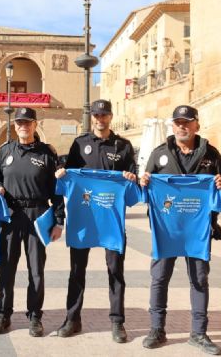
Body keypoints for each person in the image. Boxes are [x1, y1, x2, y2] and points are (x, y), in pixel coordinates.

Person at [140, 105, 221, 355]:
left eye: (187, 122)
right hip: (166, 230)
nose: (182, 126)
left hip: (198, 230)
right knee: (159, 278)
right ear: (173, 125)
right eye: (178, 122)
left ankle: (199, 333)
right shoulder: (159, 153)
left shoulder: (211, 154)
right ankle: (156, 329)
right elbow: (144, 190)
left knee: (200, 280)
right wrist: (145, 182)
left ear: (196, 125)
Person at [55, 99, 137, 343]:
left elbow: (132, 182)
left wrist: (130, 177)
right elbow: (67, 175)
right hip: (84, 218)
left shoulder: (123, 145)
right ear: (92, 118)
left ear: (111, 116)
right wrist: (61, 172)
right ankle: (72, 318)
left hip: (111, 220)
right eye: (97, 115)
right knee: (77, 271)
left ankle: (117, 322)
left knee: (115, 271)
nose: (100, 119)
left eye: (104, 115)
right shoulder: (80, 144)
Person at [0, 107, 65, 337]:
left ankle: (34, 316)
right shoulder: (5, 151)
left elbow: (57, 191)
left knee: (36, 270)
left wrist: (59, 221)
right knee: (7, 269)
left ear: (35, 124)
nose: (24, 126)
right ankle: (3, 314)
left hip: (38, 215)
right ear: (15, 126)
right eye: (20, 122)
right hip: (11, 215)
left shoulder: (47, 153)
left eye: (28, 122)